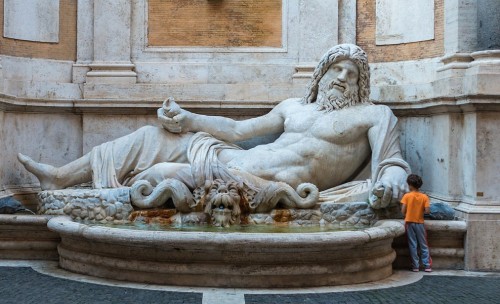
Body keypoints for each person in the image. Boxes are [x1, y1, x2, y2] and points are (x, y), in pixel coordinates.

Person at [17, 44, 410, 208]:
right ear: (321, 74)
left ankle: (106, 202)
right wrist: (189, 119)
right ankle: (62, 178)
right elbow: (238, 131)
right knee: (153, 136)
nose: (342, 77)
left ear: (362, 82)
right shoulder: (294, 107)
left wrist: (391, 177)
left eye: (352, 73)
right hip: (238, 158)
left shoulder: (374, 115)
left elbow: (391, 162)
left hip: (266, 183)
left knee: (160, 174)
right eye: (335, 69)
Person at [401, 174, 432, 272]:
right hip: (420, 223)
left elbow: (402, 211)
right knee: (423, 244)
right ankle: (427, 265)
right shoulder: (425, 197)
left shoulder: (407, 196)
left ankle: (415, 266)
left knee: (412, 244)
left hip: (409, 222)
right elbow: (427, 211)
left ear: (410, 185)